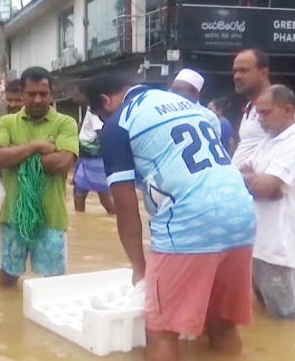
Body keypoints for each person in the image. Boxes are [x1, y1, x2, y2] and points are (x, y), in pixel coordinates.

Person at [86, 74, 256, 361]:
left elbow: (125, 207)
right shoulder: (184, 104)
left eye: (101, 115)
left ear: (105, 101)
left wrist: (139, 267)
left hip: (188, 224)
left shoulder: (118, 124)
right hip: (242, 214)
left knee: (162, 329)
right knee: (222, 322)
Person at [0, 66, 79, 287]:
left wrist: (15, 153)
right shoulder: (6, 123)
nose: (37, 99)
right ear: (22, 93)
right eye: (31, 94)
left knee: (53, 287)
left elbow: (63, 163)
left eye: (43, 93)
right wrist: (36, 146)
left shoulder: (66, 123)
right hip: (12, 218)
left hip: (51, 219)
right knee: (7, 283)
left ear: (52, 93)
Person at [238, 85, 295, 319]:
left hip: (280, 250)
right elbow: (240, 175)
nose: (259, 120)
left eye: (265, 113)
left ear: (287, 110)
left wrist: (263, 184)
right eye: (257, 113)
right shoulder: (268, 142)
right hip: (257, 245)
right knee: (265, 314)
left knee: (287, 320)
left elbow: (263, 187)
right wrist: (260, 183)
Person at [72, 82, 115, 214]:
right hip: (87, 156)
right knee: (80, 190)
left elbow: (100, 133)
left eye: (77, 94)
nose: (74, 97)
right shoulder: (95, 109)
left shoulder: (94, 111)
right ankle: (81, 221)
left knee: (103, 195)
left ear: (86, 95)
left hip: (92, 156)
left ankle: (118, 216)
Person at [232, 49, 271, 168]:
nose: (237, 76)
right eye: (235, 71)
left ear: (263, 73)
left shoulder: (276, 106)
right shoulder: (250, 106)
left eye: (244, 71)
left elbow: (287, 149)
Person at [170, 68, 221, 137]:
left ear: (195, 94)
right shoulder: (166, 112)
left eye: (178, 90)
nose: (172, 94)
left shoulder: (209, 117)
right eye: (172, 90)